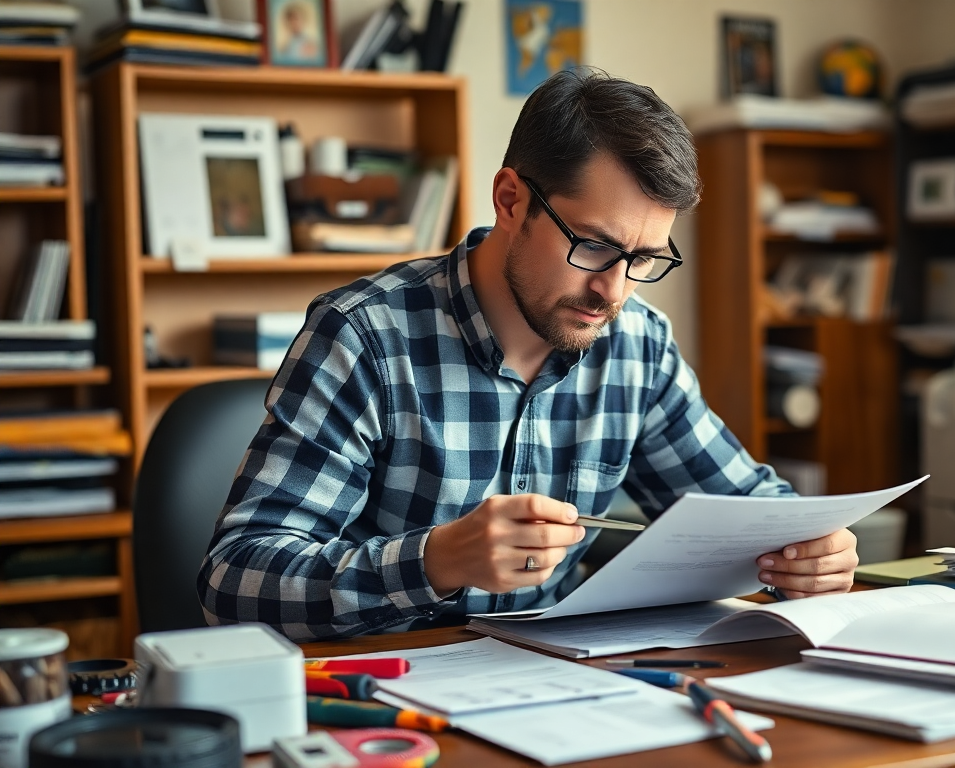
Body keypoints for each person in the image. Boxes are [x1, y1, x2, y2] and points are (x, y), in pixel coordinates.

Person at [198, 69, 861, 642]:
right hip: (383, 698)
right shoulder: (365, 337)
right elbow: (235, 579)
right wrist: (433, 562)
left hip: (556, 689)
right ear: (511, 200)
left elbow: (749, 511)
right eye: (596, 247)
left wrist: (812, 549)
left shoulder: (637, 347)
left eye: (644, 260)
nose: (614, 291)